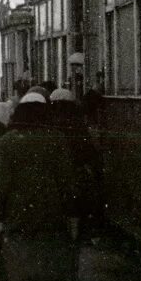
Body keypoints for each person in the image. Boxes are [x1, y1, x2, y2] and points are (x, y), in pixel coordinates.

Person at [0, 91, 79, 281]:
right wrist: (71, 210)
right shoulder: (56, 138)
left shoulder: (9, 140)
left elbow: (1, 182)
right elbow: (67, 179)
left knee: (17, 257)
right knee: (54, 255)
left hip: (17, 210)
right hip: (51, 209)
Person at [49, 87, 103, 242]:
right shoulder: (77, 123)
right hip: (76, 171)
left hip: (56, 175)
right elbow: (87, 150)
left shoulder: (50, 122)